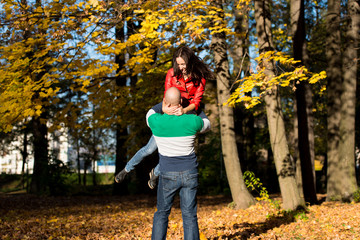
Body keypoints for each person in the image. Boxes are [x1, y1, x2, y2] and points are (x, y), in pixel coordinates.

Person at [114, 45, 213, 189]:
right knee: (149, 149)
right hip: (170, 106)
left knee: (177, 150)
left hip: (189, 109)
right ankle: (126, 169)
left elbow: (197, 102)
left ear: (190, 61)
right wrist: (166, 110)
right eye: (178, 64)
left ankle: (156, 172)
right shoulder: (172, 73)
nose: (181, 67)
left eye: (183, 64)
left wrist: (184, 111)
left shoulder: (200, 77)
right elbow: (167, 95)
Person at [147, 87, 210, 240]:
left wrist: (163, 105)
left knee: (162, 213)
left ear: (165, 102)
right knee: (189, 216)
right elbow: (207, 123)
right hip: (190, 173)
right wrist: (193, 105)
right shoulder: (192, 121)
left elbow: (150, 111)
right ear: (181, 102)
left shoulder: (156, 122)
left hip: (167, 174)